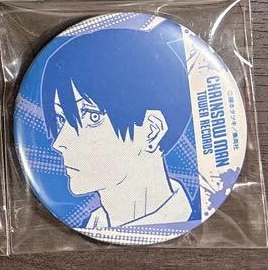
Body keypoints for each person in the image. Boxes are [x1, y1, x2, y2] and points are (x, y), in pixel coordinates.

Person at [39, 23, 196, 233]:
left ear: (152, 131)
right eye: (61, 119)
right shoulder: (92, 224)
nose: (59, 142)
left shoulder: (192, 219)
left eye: (93, 117)